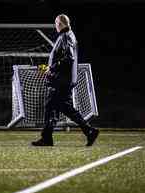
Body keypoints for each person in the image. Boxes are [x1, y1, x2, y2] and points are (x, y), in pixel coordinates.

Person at [32, 14, 99, 147]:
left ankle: (47, 138)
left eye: (56, 24)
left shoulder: (66, 36)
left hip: (61, 80)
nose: (55, 26)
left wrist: (52, 68)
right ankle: (89, 131)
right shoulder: (69, 35)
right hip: (64, 79)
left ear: (60, 24)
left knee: (51, 107)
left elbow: (69, 58)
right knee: (63, 108)